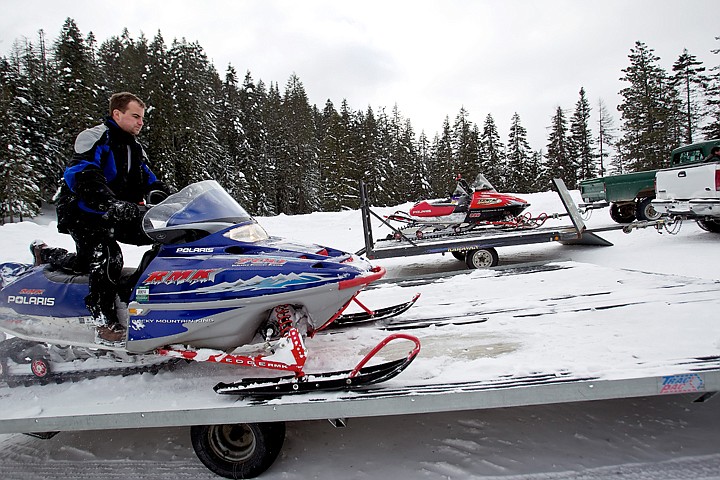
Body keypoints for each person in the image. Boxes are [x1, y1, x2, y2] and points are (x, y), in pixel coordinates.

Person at [34, 92, 169, 345]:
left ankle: (159, 299)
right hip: (83, 211)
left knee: (167, 235)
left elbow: (150, 181)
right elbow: (83, 175)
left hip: (117, 211)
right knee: (106, 257)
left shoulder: (134, 148)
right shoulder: (95, 137)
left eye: (142, 118)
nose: (141, 122)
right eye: (135, 116)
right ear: (117, 114)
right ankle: (103, 321)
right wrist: (111, 203)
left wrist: (173, 202)